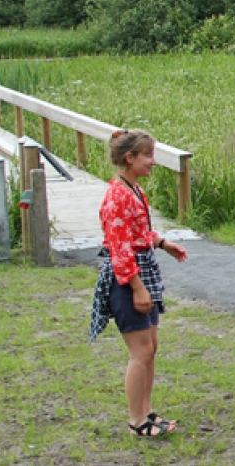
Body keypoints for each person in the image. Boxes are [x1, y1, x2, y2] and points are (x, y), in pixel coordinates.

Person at [87, 129, 189, 437]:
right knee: (140, 351)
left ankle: (147, 410)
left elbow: (138, 232)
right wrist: (136, 287)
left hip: (143, 269)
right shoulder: (116, 197)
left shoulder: (134, 190)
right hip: (128, 277)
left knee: (151, 347)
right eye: (148, 155)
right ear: (129, 158)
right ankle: (136, 420)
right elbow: (119, 248)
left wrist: (162, 242)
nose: (153, 162)